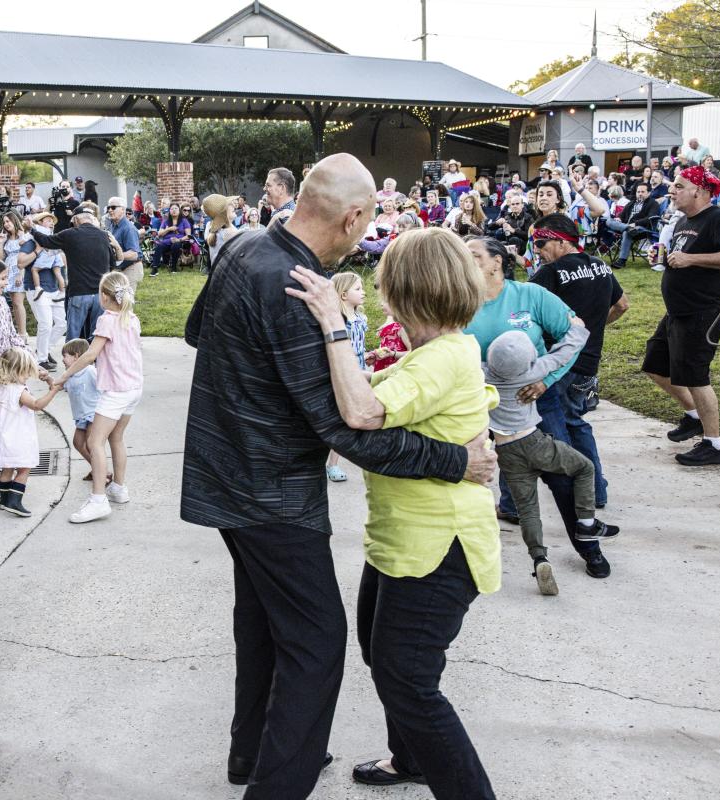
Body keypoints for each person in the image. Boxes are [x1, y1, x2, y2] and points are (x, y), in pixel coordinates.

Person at [182, 153, 495, 798]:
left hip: (226, 479)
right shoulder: (298, 288)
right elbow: (351, 428)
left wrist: (253, 380)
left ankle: (253, 756)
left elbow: (194, 330)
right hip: (275, 498)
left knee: (264, 623)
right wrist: (456, 461)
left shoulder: (241, 246)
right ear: (353, 216)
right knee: (316, 646)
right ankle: (278, 783)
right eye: (367, 224)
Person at [285, 227, 500, 798]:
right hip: (403, 543)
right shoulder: (433, 353)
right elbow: (369, 389)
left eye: (385, 281)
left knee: (409, 678)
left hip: (438, 548)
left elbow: (361, 409)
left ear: (404, 289)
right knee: (386, 659)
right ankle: (411, 758)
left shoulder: (445, 356)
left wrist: (333, 322)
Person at [463, 236, 615, 579]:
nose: (463, 261)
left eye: (472, 255)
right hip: (473, 404)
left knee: (561, 476)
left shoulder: (529, 295)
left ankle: (589, 547)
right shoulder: (457, 301)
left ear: (496, 262)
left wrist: (548, 380)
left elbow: (574, 333)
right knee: (464, 477)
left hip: (532, 397)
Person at [484, 321, 618, 596]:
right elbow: (563, 353)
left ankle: (539, 558)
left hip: (506, 452)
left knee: (528, 508)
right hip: (534, 442)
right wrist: (579, 328)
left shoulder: (482, 374)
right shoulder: (531, 373)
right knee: (583, 467)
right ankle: (586, 523)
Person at [518, 219, 628, 510]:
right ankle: (595, 491)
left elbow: (522, 310)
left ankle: (583, 494)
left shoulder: (551, 272)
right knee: (576, 423)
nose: (537, 250)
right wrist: (588, 331)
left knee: (558, 429)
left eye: (541, 243)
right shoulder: (600, 265)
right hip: (589, 362)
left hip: (560, 364)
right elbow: (622, 305)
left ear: (562, 241)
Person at [642, 166, 720, 466]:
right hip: (677, 310)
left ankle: (714, 445)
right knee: (655, 365)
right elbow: (682, 258)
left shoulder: (719, 218)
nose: (672, 191)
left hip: (703, 312)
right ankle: (694, 416)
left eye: (678, 186)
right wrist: (662, 259)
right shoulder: (683, 221)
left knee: (696, 377)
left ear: (699, 191)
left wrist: (691, 258)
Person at [54, 270, 143, 524]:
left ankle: (98, 500)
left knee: (94, 442)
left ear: (104, 297)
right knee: (117, 437)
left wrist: (64, 376)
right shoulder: (131, 318)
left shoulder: (107, 320)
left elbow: (90, 355)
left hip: (116, 391)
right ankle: (119, 488)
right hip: (134, 388)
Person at [0, 347, 61, 516]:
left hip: (2, 437)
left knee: (7, 469)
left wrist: (43, 375)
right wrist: (53, 390)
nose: (28, 376)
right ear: (17, 371)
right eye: (26, 373)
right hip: (18, 437)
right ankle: (14, 502)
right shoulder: (19, 391)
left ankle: (5, 501)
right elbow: (37, 405)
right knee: (24, 469)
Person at [32, 207, 119, 341]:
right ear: (91, 219)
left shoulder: (70, 234)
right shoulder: (104, 235)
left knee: (73, 337)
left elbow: (46, 241)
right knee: (96, 336)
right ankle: (94, 361)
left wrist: (32, 229)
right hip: (100, 294)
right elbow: (112, 264)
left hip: (79, 293)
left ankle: (73, 361)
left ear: (76, 219)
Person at [324, 271, 368, 483]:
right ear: (343, 295)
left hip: (360, 368)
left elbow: (360, 347)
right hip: (344, 371)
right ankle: (331, 464)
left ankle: (336, 459)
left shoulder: (361, 317)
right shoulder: (339, 321)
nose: (364, 292)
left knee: (352, 415)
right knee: (340, 417)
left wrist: (368, 356)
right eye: (358, 289)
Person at [24, 211, 67, 370]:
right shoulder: (31, 241)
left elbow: (60, 262)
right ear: (39, 223)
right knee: (46, 324)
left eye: (52, 220)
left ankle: (43, 349)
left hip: (54, 288)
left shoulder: (53, 240)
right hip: (38, 288)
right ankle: (41, 360)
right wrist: (37, 251)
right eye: (48, 220)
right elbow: (20, 262)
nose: (51, 222)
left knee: (63, 323)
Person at [60, 337, 104, 481]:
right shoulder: (70, 376)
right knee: (78, 443)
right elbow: (59, 386)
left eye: (65, 356)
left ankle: (104, 473)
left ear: (76, 357)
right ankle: (97, 467)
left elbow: (103, 386)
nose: (62, 359)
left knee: (92, 445)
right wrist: (48, 379)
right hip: (81, 417)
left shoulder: (90, 371)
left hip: (93, 414)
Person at [607, 182, 659, 268]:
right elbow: (621, 215)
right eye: (638, 192)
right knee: (608, 220)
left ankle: (622, 261)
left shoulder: (653, 203)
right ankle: (627, 228)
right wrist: (619, 219)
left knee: (627, 233)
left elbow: (650, 218)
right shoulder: (632, 203)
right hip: (627, 227)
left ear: (649, 193)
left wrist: (635, 224)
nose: (640, 194)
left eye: (642, 192)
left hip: (641, 228)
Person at [0, 209, 31, 341]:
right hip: (8, 269)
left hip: (19, 269)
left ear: (14, 220)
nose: (6, 224)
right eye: (4, 222)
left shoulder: (22, 234)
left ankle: (23, 334)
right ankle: (18, 331)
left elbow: (25, 253)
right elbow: (0, 258)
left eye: (8, 221)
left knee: (18, 302)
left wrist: (20, 273)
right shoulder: (7, 237)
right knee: (13, 303)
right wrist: (0, 242)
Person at [105, 195, 143, 294]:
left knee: (125, 302)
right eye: (108, 207)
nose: (110, 210)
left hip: (131, 268)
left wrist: (116, 256)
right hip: (119, 269)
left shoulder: (128, 228)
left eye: (113, 207)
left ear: (122, 210)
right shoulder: (112, 226)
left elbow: (134, 254)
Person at [148, 202, 191, 276]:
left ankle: (173, 267)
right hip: (167, 241)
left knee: (176, 245)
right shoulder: (166, 221)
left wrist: (179, 240)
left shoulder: (184, 221)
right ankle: (155, 268)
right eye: (172, 209)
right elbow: (159, 234)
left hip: (178, 241)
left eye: (176, 208)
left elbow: (188, 235)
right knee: (159, 245)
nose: (174, 210)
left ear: (179, 210)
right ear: (169, 211)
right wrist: (168, 229)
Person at [202, 193, 239, 269]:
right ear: (224, 212)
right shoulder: (229, 233)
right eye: (230, 205)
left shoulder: (217, 231)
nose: (234, 206)